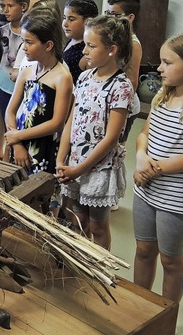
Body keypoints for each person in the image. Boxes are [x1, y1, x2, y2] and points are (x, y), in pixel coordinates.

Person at [133, 30, 183, 307]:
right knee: (144, 249)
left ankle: (165, 317)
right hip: (145, 188)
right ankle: (138, 307)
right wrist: (141, 158)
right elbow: (144, 132)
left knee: (170, 259)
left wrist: (155, 169)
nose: (159, 68)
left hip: (175, 196)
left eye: (167, 63)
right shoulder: (162, 95)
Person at [56, 15, 134, 249]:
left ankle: (99, 267)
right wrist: (62, 158)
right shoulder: (85, 77)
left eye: (91, 46)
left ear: (112, 50)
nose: (85, 52)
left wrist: (80, 168)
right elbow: (72, 119)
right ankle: (81, 262)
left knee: (98, 226)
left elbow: (111, 138)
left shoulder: (120, 86)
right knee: (77, 220)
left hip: (98, 167)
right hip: (75, 161)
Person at [4, 11, 73, 177]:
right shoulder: (26, 71)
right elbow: (10, 111)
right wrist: (17, 143)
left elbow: (57, 123)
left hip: (42, 146)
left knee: (36, 195)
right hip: (18, 141)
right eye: (23, 41)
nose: (24, 47)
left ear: (48, 45)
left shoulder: (62, 77)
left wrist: (18, 136)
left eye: (29, 42)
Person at [0, 0, 29, 161]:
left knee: (21, 127)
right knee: (7, 124)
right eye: (4, 6)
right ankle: (6, 159)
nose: (6, 10)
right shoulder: (3, 30)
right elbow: (0, 55)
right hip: (4, 83)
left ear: (24, 7)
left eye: (10, 6)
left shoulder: (31, 33)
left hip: (23, 86)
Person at [106, 0, 142, 143]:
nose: (110, 18)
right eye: (108, 13)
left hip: (124, 104)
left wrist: (122, 109)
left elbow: (132, 81)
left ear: (130, 17)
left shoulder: (133, 44)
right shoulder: (111, 37)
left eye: (115, 14)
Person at [62, 0, 99, 84]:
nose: (65, 24)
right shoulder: (72, 40)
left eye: (71, 19)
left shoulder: (86, 51)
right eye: (64, 18)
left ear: (87, 22)